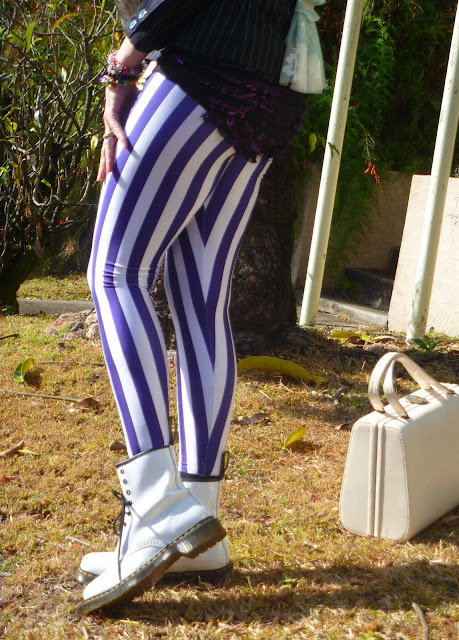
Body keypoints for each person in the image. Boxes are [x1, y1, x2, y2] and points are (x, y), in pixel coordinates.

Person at [78, 0, 325, 615]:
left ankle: (157, 504)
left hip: (203, 68)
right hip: (269, 86)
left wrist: (124, 63)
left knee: (116, 271)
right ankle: (198, 523)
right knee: (200, 298)